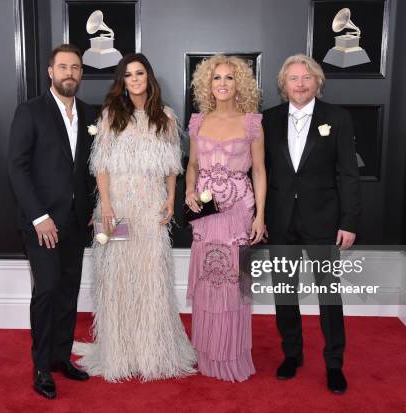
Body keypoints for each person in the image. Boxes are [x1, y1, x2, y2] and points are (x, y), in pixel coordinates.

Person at [72, 53, 197, 382]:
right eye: (128, 75)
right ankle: (120, 351)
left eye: (140, 73)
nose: (135, 79)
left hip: (151, 208)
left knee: (151, 277)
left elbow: (172, 166)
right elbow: (100, 164)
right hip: (115, 208)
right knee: (114, 279)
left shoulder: (166, 117)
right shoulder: (111, 114)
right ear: (122, 82)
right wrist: (108, 206)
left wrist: (170, 200)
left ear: (149, 76)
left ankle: (151, 350)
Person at [262, 54, 362, 394]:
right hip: (280, 221)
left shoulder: (337, 118)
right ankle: (292, 354)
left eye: (306, 77)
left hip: (324, 220)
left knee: (329, 297)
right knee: (284, 293)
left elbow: (349, 174)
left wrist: (348, 221)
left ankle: (335, 364)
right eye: (293, 78)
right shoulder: (268, 120)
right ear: (283, 85)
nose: (300, 83)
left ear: (317, 82)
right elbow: (259, 173)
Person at [8, 44, 97, 399]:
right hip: (42, 224)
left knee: (67, 292)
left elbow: (92, 169)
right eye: (63, 67)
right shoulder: (30, 111)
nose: (69, 73)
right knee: (45, 292)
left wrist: (93, 205)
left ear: (81, 73)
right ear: (50, 72)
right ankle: (41, 367)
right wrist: (39, 217)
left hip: (76, 223)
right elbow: (17, 167)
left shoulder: (91, 114)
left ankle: (61, 358)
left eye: (75, 67)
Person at [185, 54, 266, 382]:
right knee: (208, 281)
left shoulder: (252, 123)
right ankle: (207, 353)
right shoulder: (197, 121)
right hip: (205, 213)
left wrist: (260, 215)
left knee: (234, 286)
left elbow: (260, 171)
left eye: (229, 78)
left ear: (239, 84)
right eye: (216, 78)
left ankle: (231, 354)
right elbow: (191, 163)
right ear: (208, 83)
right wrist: (190, 190)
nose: (222, 83)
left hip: (238, 212)